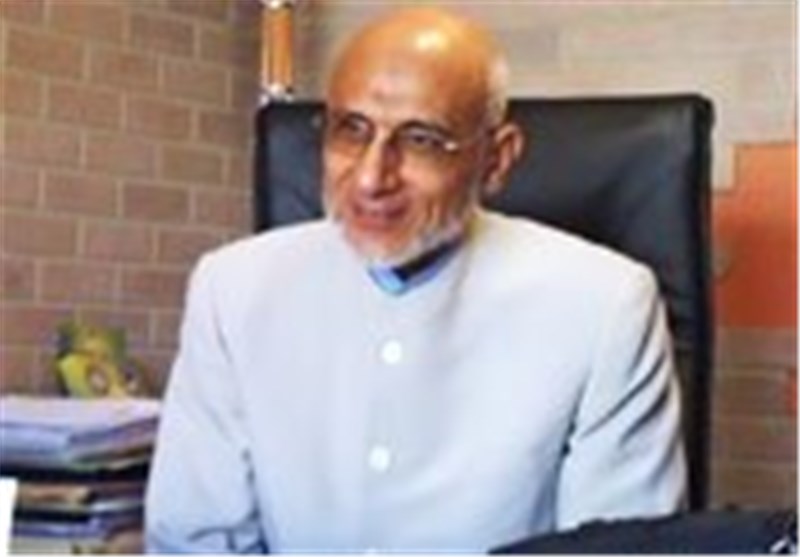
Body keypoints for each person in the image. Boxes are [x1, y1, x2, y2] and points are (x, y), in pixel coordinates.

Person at [145, 7, 686, 553]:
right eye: (351, 130)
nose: (372, 178)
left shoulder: (605, 306)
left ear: (497, 160)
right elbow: (196, 541)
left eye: (422, 139)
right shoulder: (232, 289)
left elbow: (617, 550)